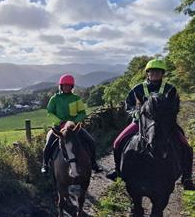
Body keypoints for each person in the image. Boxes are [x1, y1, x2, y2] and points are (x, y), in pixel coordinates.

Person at [106, 59, 195, 191]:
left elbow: (175, 105)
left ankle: (187, 178)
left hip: (165, 124)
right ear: (147, 73)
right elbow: (128, 104)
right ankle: (118, 170)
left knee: (186, 146)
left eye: (158, 72)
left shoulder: (170, 89)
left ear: (162, 74)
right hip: (141, 122)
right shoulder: (138, 88)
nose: (155, 74)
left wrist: (168, 115)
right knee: (117, 143)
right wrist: (135, 113)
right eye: (152, 72)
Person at [41, 74, 102, 174]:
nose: (67, 88)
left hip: (73, 128)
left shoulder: (76, 98)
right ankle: (45, 164)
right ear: (61, 86)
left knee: (91, 142)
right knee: (48, 145)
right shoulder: (54, 99)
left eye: (69, 86)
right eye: (65, 86)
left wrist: (73, 122)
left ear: (72, 87)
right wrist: (60, 122)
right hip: (59, 127)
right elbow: (50, 112)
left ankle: (94, 163)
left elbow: (82, 113)